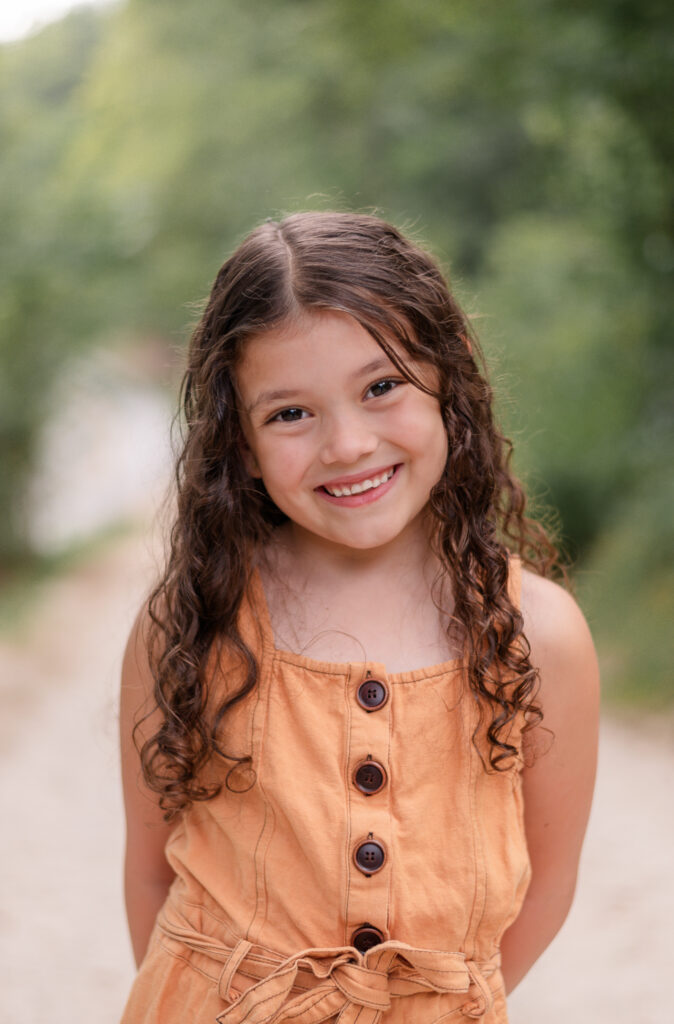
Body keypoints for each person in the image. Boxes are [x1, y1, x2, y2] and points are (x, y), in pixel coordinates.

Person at [119, 211, 599, 1024]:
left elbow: (549, 881)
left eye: (381, 388)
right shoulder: (193, 621)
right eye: (290, 414)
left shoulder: (537, 633)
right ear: (240, 442)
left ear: (449, 376)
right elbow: (152, 874)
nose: (347, 445)